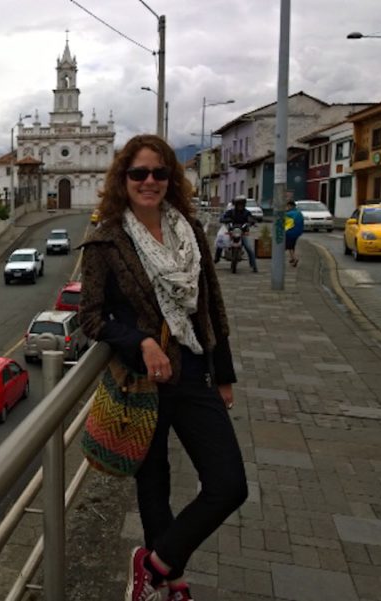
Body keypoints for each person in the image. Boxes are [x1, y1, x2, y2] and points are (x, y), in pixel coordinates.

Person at [78, 134, 248, 601]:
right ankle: (166, 583)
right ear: (123, 180)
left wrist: (224, 373)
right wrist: (142, 341)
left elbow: (210, 305)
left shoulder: (189, 231)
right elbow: (89, 316)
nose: (149, 181)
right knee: (154, 485)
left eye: (159, 173)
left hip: (193, 373)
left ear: (171, 179)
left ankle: (153, 563)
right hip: (143, 382)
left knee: (229, 484)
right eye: (139, 173)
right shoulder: (105, 241)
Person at [216, 197, 259, 272]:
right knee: (220, 242)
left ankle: (253, 265)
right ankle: (216, 258)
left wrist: (251, 221)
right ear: (235, 205)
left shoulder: (247, 213)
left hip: (242, 233)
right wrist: (225, 219)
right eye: (238, 204)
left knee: (249, 248)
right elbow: (223, 218)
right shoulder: (231, 212)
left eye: (242, 204)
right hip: (231, 232)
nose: (240, 206)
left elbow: (251, 218)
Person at [284, 199, 304, 267]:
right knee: (292, 245)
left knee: (289, 246)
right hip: (298, 232)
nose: (287, 208)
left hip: (290, 232)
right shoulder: (298, 212)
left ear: (290, 206)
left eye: (287, 206)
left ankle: (295, 259)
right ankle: (292, 258)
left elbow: (283, 220)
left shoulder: (290, 214)